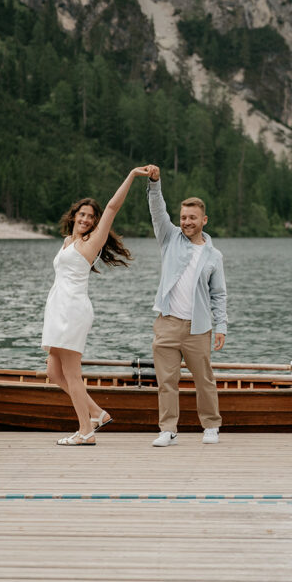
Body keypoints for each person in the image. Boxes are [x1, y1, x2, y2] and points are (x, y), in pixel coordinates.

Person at [42, 166, 151, 445]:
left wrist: (132, 175)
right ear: (74, 216)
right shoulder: (68, 241)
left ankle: (85, 431)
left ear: (94, 222)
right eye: (82, 214)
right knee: (54, 373)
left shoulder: (93, 241)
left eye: (91, 217)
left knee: (71, 374)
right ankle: (97, 413)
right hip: (58, 309)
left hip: (73, 311)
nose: (86, 219)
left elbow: (113, 206)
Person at [146, 164, 227, 446]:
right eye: (183, 217)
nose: (186, 221)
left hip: (198, 327)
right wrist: (155, 183)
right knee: (166, 382)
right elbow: (158, 211)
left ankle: (211, 426)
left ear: (204, 220)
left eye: (192, 217)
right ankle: (168, 429)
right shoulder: (169, 239)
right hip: (167, 323)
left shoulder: (214, 256)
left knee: (204, 379)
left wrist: (222, 327)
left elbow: (219, 295)